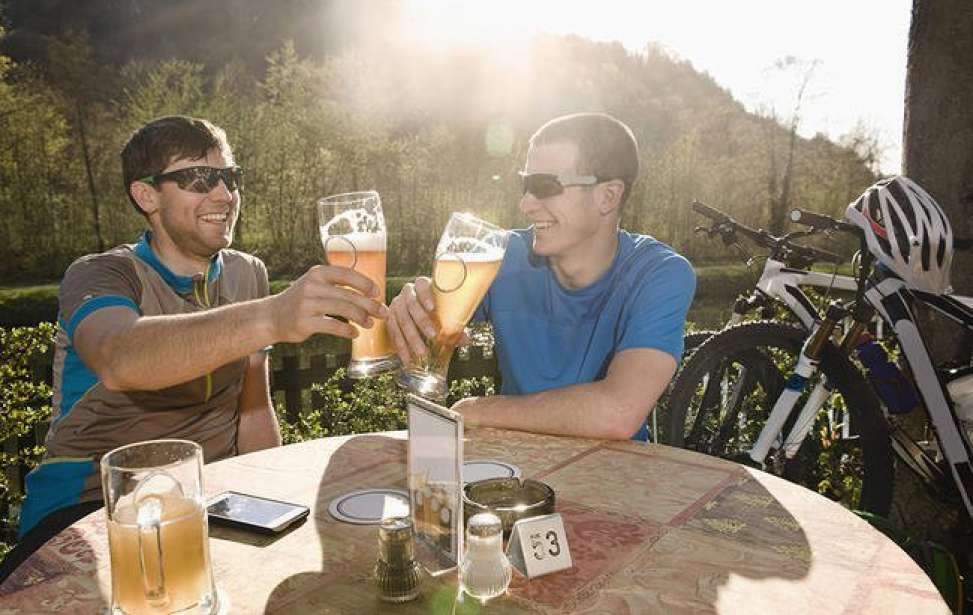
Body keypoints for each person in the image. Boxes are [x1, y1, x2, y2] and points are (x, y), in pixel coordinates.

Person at [18, 115, 387, 538]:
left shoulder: (248, 274)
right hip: (89, 507)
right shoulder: (101, 274)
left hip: (211, 500)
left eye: (231, 178)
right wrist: (271, 316)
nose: (225, 195)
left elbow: (253, 410)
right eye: (198, 178)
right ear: (146, 195)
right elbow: (119, 359)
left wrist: (269, 496)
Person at [387, 112, 695, 441]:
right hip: (513, 470)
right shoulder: (500, 258)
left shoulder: (660, 274)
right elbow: (425, 328)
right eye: (525, 185)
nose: (525, 204)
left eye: (544, 186)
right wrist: (405, 316)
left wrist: (477, 410)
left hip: (613, 476)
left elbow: (618, 413)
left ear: (608, 196)